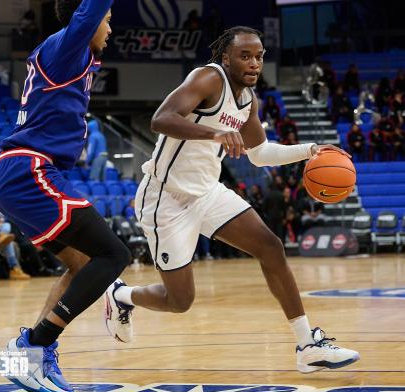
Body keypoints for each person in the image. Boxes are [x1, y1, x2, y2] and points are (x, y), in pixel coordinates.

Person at [104, 26, 359, 373]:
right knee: (180, 301)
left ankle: (307, 344)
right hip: (166, 198)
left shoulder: (248, 101)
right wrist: (215, 132)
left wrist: (310, 150)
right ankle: (121, 295)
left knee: (271, 247)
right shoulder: (208, 78)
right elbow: (160, 119)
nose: (254, 63)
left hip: (208, 192)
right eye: (245, 55)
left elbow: (260, 153)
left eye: (259, 56)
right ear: (226, 57)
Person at [0, 0, 134, 392]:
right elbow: (91, 7)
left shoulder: (63, 48)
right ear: (87, 20)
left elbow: (89, 3)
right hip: (30, 172)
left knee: (80, 264)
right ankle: (32, 342)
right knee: (115, 253)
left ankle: (39, 354)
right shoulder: (66, 46)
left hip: (19, 175)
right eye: (107, 19)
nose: (109, 28)